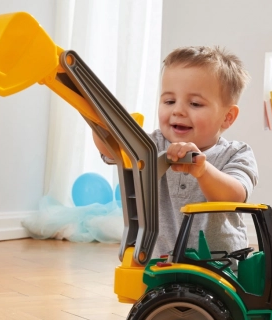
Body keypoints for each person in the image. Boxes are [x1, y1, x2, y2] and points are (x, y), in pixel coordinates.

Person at [94, 45, 257, 259]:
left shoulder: (236, 153)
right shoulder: (152, 145)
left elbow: (234, 195)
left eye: (195, 103)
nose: (178, 110)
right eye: (169, 101)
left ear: (227, 117)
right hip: (160, 262)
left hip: (220, 265)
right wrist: (98, 119)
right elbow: (111, 148)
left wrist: (203, 170)